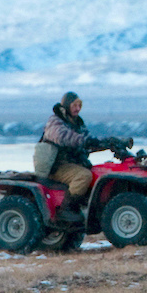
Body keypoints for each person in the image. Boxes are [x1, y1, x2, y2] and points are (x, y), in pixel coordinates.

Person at [40, 91, 106, 225]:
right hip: (56, 166)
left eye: (79, 105)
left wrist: (105, 143)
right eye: (74, 105)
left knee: (98, 173)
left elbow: (86, 141)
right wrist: (83, 140)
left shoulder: (77, 123)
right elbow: (62, 136)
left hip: (71, 164)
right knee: (83, 176)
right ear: (66, 105)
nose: (77, 108)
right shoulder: (56, 121)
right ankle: (67, 209)